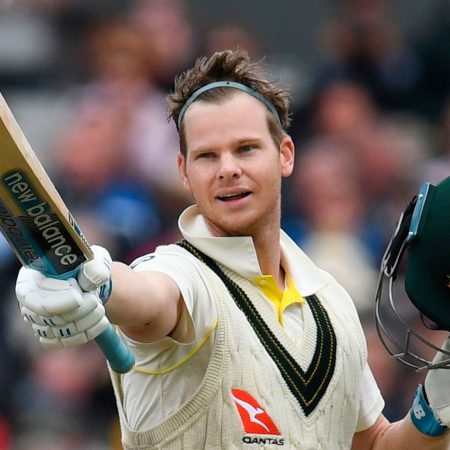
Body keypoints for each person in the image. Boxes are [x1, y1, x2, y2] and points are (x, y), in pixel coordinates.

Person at [14, 49, 450, 450]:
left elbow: (374, 443)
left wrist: (437, 405)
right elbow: (150, 297)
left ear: (285, 154)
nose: (228, 170)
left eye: (245, 149)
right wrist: (102, 282)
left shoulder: (331, 300)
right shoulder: (180, 275)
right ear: (184, 171)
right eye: (207, 156)